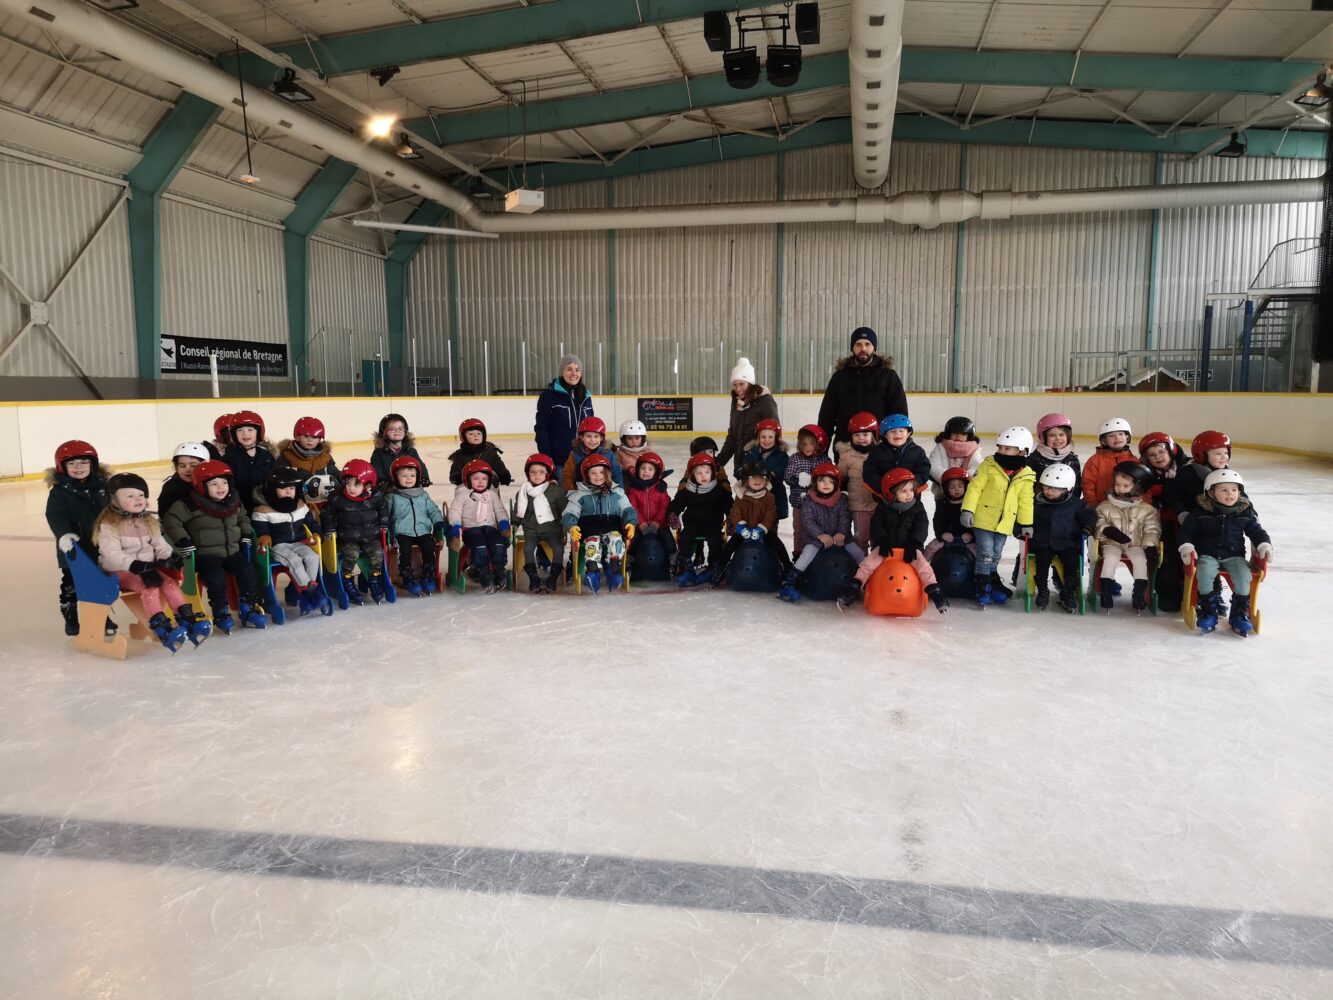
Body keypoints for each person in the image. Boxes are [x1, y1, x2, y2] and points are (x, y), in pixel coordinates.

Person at [93, 472, 205, 651]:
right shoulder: (109, 525)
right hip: (121, 571)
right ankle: (161, 628)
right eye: (130, 496)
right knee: (150, 588)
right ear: (113, 501)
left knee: (170, 584)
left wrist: (169, 557)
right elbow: (111, 553)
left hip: (147, 567)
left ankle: (187, 620)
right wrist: (133, 565)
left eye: (141, 495)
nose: (138, 499)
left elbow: (160, 544)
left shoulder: (148, 521)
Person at [161, 460, 267, 632]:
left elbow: (243, 518)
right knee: (216, 578)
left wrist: (246, 534)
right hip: (206, 555)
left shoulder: (234, 502)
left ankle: (248, 606)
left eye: (224, 482)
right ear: (201, 486)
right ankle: (220, 611)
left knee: (248, 571)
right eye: (214, 483)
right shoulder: (189, 505)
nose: (221, 487)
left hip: (232, 551)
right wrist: (183, 540)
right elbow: (170, 521)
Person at [839, 468, 948, 613]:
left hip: (909, 548)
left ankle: (935, 591)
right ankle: (853, 587)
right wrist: (882, 540)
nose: (909, 494)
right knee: (868, 564)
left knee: (924, 566)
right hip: (887, 548)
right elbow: (877, 525)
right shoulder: (883, 507)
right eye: (904, 491)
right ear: (891, 493)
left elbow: (921, 526)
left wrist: (914, 543)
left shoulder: (917, 507)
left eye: (911, 489)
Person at [1178, 469, 1272, 636]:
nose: (1230, 494)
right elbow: (1186, 532)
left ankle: (1239, 611)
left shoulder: (1244, 513)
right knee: (1205, 572)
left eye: (1234, 490)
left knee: (1244, 576)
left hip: (1234, 556)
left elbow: (1257, 532)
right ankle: (1208, 609)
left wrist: (1264, 545)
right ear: (1211, 493)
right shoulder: (1200, 513)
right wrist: (1187, 547)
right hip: (1208, 554)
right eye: (1224, 490)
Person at [961, 426, 1036, 606]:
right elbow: (974, 488)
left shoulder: (1026, 475)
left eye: (1007, 449)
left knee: (996, 553)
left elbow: (1026, 501)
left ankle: (991, 580)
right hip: (983, 519)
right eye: (1000, 447)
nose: (1001, 451)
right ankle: (981, 584)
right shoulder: (988, 465)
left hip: (1005, 522)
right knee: (985, 553)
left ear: (1022, 451)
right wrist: (968, 510)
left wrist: (1026, 523)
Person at [45, 440, 112, 638]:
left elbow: (114, 509)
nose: (79, 467)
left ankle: (101, 617)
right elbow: (55, 516)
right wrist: (64, 533)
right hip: (73, 548)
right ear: (62, 467)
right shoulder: (59, 492)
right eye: (72, 464)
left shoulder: (104, 487)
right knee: (72, 584)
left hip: (100, 546)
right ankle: (71, 616)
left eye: (83, 462)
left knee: (100, 584)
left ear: (93, 464)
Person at [777, 463, 865, 604]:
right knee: (806, 556)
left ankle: (868, 581)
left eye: (830, 482)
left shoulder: (841, 500)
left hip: (842, 539)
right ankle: (790, 582)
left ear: (836, 484)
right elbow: (808, 520)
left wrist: (842, 533)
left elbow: (845, 518)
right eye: (821, 481)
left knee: (859, 555)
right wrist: (820, 535)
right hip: (815, 540)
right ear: (815, 482)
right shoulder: (808, 500)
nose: (826, 484)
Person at [251, 466, 328, 615]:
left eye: (291, 488)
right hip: (278, 546)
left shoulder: (300, 506)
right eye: (283, 488)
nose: (288, 491)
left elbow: (311, 524)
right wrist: (264, 536)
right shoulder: (262, 510)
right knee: (295, 560)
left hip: (299, 542)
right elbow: (260, 529)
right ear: (273, 489)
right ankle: (312, 594)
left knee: (313, 557)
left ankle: (308, 592)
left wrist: (317, 533)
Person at [816, 327, 908, 445]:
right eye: (858, 344)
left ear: (874, 348)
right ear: (852, 348)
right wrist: (821, 448)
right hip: (846, 447)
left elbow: (899, 414)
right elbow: (827, 416)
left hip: (880, 446)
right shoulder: (840, 377)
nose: (863, 348)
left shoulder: (888, 376)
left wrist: (895, 446)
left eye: (867, 344)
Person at [561, 453, 637, 594]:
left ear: (607, 473)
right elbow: (569, 513)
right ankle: (592, 571)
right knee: (592, 543)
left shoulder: (617, 492)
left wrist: (630, 522)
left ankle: (614, 569)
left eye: (601, 472)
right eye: (593, 473)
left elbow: (627, 509)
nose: (598, 476)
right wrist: (572, 526)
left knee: (616, 539)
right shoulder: (580, 494)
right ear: (586, 475)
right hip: (589, 529)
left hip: (611, 527)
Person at [321, 459, 390, 605]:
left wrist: (384, 524)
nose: (351, 487)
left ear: (368, 485)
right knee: (351, 554)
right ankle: (347, 580)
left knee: (378, 553)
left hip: (371, 537)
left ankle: (374, 579)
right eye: (348, 483)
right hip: (347, 539)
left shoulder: (376, 496)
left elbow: (383, 509)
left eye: (356, 484)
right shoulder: (338, 497)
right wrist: (330, 529)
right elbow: (327, 514)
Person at [1094, 462, 1161, 612]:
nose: (1120, 488)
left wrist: (1150, 545)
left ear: (1137, 488)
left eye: (1125, 486)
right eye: (1118, 484)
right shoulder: (1105, 506)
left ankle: (1139, 593)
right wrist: (1108, 530)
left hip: (1134, 544)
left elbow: (1152, 529)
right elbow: (1099, 523)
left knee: (1140, 560)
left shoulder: (1147, 510)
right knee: (1110, 558)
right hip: (1111, 543)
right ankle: (1106, 590)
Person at [1029, 464, 1095, 612]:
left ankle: (1068, 591)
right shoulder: (1035, 503)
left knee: (1071, 563)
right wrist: (1021, 529)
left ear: (1067, 489)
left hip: (1068, 541)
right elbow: (1023, 517)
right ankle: (1043, 590)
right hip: (1043, 542)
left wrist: (1087, 527)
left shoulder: (1076, 504)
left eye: (1055, 489)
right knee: (1042, 560)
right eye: (1046, 487)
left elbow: (1089, 515)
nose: (1049, 491)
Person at [713, 462, 791, 587]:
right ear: (745, 480)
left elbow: (771, 515)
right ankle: (720, 569)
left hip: (763, 531)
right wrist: (740, 526)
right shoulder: (741, 496)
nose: (757, 480)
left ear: (766, 481)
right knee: (730, 546)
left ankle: (787, 568)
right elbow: (735, 512)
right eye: (753, 478)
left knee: (777, 544)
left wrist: (761, 529)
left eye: (761, 478)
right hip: (745, 530)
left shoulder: (769, 497)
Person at [1139, 431, 1189, 612]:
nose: (1158, 457)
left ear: (1171, 450)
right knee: (1167, 556)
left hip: (1187, 521)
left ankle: (1199, 592)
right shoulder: (1147, 475)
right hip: (1162, 521)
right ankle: (1168, 594)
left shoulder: (1187, 468)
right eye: (1152, 455)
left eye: (1161, 452)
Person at [669, 452, 733, 587]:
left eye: (707, 472)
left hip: (712, 524)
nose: (703, 476)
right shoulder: (688, 490)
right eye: (699, 473)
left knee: (715, 540)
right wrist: (673, 514)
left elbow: (729, 506)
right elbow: (677, 503)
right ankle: (687, 567)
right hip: (692, 524)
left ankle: (713, 566)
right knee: (684, 539)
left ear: (713, 473)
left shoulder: (719, 491)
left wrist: (731, 518)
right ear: (692, 474)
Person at [385, 456, 445, 597]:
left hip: (422, 530)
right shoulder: (392, 497)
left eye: (412, 475)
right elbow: (385, 515)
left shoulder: (423, 496)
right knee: (403, 550)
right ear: (395, 477)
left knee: (429, 546)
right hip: (401, 532)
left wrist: (438, 523)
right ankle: (407, 577)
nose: (409, 479)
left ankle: (428, 574)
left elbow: (433, 511)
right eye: (404, 476)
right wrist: (385, 530)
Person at [448, 459, 511, 594]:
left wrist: (503, 521)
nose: (481, 482)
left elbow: (499, 510)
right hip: (470, 529)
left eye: (484, 479)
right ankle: (482, 573)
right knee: (479, 546)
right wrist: (455, 524)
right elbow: (455, 511)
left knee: (498, 543)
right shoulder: (463, 495)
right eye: (476, 479)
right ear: (468, 480)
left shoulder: (492, 495)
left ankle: (499, 570)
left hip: (489, 527)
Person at [514, 453, 567, 594]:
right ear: (528, 474)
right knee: (528, 549)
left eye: (541, 472)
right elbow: (518, 512)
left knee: (558, 549)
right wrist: (514, 524)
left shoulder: (555, 491)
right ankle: (533, 578)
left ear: (548, 474)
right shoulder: (524, 493)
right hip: (532, 530)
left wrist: (567, 528)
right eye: (533, 472)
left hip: (552, 530)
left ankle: (553, 578)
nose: (537, 475)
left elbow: (565, 511)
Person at [716, 358, 779, 474]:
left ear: (750, 383)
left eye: (741, 384)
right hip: (741, 465)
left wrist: (771, 464)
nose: (738, 389)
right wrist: (719, 462)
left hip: (761, 468)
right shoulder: (736, 402)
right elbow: (733, 435)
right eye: (734, 385)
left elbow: (775, 434)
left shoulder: (765, 401)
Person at [535, 354, 594, 473]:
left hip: (584, 458)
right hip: (560, 461)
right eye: (569, 369)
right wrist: (547, 457)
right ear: (562, 372)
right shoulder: (548, 396)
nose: (574, 373)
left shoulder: (586, 397)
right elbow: (541, 429)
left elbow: (592, 428)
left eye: (577, 370)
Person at [625, 452, 676, 576]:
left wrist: (657, 522)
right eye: (643, 468)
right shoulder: (633, 489)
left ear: (656, 472)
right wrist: (640, 523)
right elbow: (633, 507)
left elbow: (664, 506)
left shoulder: (660, 489)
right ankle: (629, 561)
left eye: (650, 469)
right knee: (632, 539)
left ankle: (672, 560)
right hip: (638, 524)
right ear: (637, 470)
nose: (646, 472)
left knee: (668, 538)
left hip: (660, 524)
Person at [783, 423, 830, 553]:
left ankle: (819, 553)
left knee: (818, 529)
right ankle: (798, 555)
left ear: (819, 444)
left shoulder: (824, 460)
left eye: (811, 444)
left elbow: (830, 479)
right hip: (800, 504)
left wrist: (814, 480)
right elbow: (787, 476)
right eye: (804, 444)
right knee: (799, 530)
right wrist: (799, 476)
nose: (808, 448)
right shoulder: (795, 459)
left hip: (819, 505)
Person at [835, 412, 879, 549]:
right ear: (851, 436)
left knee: (878, 538)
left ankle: (877, 567)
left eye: (865, 435)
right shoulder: (846, 456)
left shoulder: (880, 453)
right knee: (861, 538)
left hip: (878, 504)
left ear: (873, 435)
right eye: (857, 435)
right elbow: (838, 477)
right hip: (858, 505)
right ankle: (861, 565)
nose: (861, 438)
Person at [862, 414, 931, 497]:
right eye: (892, 431)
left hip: (910, 497)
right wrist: (882, 487)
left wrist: (911, 486)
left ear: (908, 433)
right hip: (885, 498)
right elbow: (869, 472)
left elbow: (923, 472)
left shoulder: (918, 452)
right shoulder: (876, 452)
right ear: (885, 435)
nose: (897, 434)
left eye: (901, 431)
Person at [223, 409, 276, 511]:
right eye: (240, 430)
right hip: (238, 508)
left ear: (258, 432)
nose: (245, 434)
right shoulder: (229, 457)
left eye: (250, 430)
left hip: (262, 507)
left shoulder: (267, 456)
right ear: (234, 434)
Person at [922, 467, 976, 564]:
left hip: (967, 539)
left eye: (960, 486)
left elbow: (976, 522)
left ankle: (979, 574)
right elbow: (938, 522)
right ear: (946, 489)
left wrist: (971, 534)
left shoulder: (970, 504)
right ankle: (922, 568)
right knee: (930, 549)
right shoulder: (942, 504)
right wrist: (942, 534)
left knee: (979, 552)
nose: (957, 489)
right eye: (952, 487)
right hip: (946, 538)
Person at [741, 418, 790, 522]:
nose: (766, 440)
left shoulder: (782, 456)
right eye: (763, 437)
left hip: (774, 496)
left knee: (771, 526)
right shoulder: (751, 453)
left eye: (770, 437)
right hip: (754, 496)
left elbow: (784, 469)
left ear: (776, 438)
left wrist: (773, 473)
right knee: (753, 522)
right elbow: (742, 467)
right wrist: (741, 471)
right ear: (758, 438)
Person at [1081, 417, 1135, 507]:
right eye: (1111, 435)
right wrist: (1092, 505)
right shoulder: (1095, 461)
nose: (1117, 437)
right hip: (1100, 506)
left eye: (1120, 434)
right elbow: (1088, 485)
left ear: (1127, 437)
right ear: (1104, 440)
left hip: (1127, 506)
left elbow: (1141, 486)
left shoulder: (1133, 460)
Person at [371, 413, 432, 489]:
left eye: (400, 429)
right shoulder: (378, 454)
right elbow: (377, 472)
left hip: (409, 490)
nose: (397, 431)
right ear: (384, 433)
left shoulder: (411, 451)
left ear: (405, 431)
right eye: (392, 429)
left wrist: (424, 478)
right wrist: (383, 483)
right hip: (389, 492)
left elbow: (420, 467)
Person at [561, 416, 623, 490]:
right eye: (588, 436)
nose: (592, 440)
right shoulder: (575, 454)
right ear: (581, 437)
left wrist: (619, 492)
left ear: (601, 438)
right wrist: (571, 492)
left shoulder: (608, 453)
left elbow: (617, 474)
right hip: (582, 491)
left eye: (596, 436)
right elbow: (568, 475)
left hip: (605, 491)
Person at [1027, 413, 1081, 495]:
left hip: (1065, 504)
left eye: (1061, 435)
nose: (1058, 438)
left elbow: (1076, 487)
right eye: (1052, 435)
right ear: (1043, 437)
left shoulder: (1072, 460)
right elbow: (1028, 487)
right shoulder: (1033, 460)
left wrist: (1072, 504)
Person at [448, 418, 511, 486]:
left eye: (479, 433)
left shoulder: (490, 452)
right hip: (467, 489)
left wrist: (504, 475)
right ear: (463, 436)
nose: (476, 436)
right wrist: (457, 478)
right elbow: (454, 473)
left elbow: (499, 465)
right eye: (471, 434)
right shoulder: (460, 455)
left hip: (488, 489)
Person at [928, 416, 981, 496]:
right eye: (955, 433)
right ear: (949, 434)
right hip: (942, 493)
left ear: (969, 436)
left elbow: (977, 468)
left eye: (963, 434)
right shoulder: (941, 447)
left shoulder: (974, 450)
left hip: (967, 493)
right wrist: (948, 478)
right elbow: (933, 465)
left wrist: (963, 479)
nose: (958, 436)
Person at [159, 442, 210, 514]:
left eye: (193, 465)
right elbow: (164, 514)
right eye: (182, 466)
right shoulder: (171, 488)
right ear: (176, 467)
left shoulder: (210, 483)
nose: (187, 470)